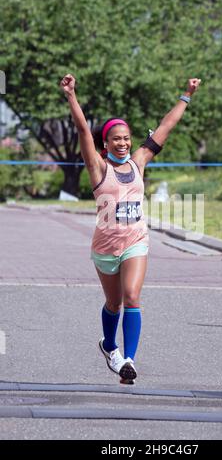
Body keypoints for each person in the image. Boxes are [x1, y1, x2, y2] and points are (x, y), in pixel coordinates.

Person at [60, 74, 201, 384]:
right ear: (106, 144)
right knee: (114, 303)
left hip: (136, 241)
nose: (122, 144)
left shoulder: (139, 161)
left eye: (126, 138)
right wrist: (71, 95)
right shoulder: (98, 167)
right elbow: (83, 129)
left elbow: (165, 127)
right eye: (116, 139)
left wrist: (186, 95)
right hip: (105, 248)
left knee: (132, 297)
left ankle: (128, 361)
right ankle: (110, 347)